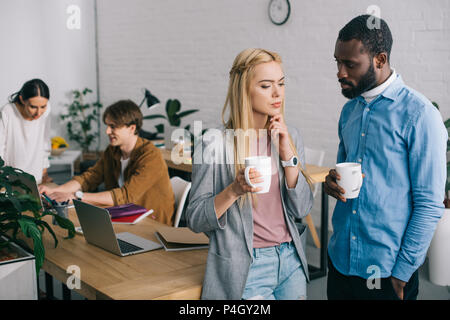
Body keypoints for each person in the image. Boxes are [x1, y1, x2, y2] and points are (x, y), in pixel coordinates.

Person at [324, 15, 447, 300]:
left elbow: (429, 204)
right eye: (337, 62)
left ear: (380, 60)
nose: (340, 72)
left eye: (350, 64)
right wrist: (333, 183)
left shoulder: (420, 115)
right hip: (340, 261)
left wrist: (402, 273)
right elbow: (347, 172)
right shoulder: (349, 111)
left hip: (387, 273)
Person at [186, 48, 313, 300]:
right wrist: (234, 190)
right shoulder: (214, 143)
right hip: (247, 269)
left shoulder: (290, 135)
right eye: (266, 85)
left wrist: (287, 151)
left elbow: (302, 208)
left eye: (281, 83)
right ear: (244, 89)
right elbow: (196, 219)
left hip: (290, 261)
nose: (277, 93)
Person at [39, 100, 175, 226]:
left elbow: (126, 196)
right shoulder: (113, 151)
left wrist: (76, 197)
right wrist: (54, 190)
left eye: (113, 126)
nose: (107, 131)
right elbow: (89, 178)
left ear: (132, 128)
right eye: (107, 125)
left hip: (151, 224)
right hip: (122, 217)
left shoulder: (151, 156)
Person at [0, 79, 52, 184]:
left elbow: (45, 141)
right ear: (22, 99)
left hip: (36, 177)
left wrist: (44, 169)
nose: (39, 112)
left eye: (43, 106)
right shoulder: (7, 112)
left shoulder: (46, 111)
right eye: (33, 107)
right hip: (10, 177)